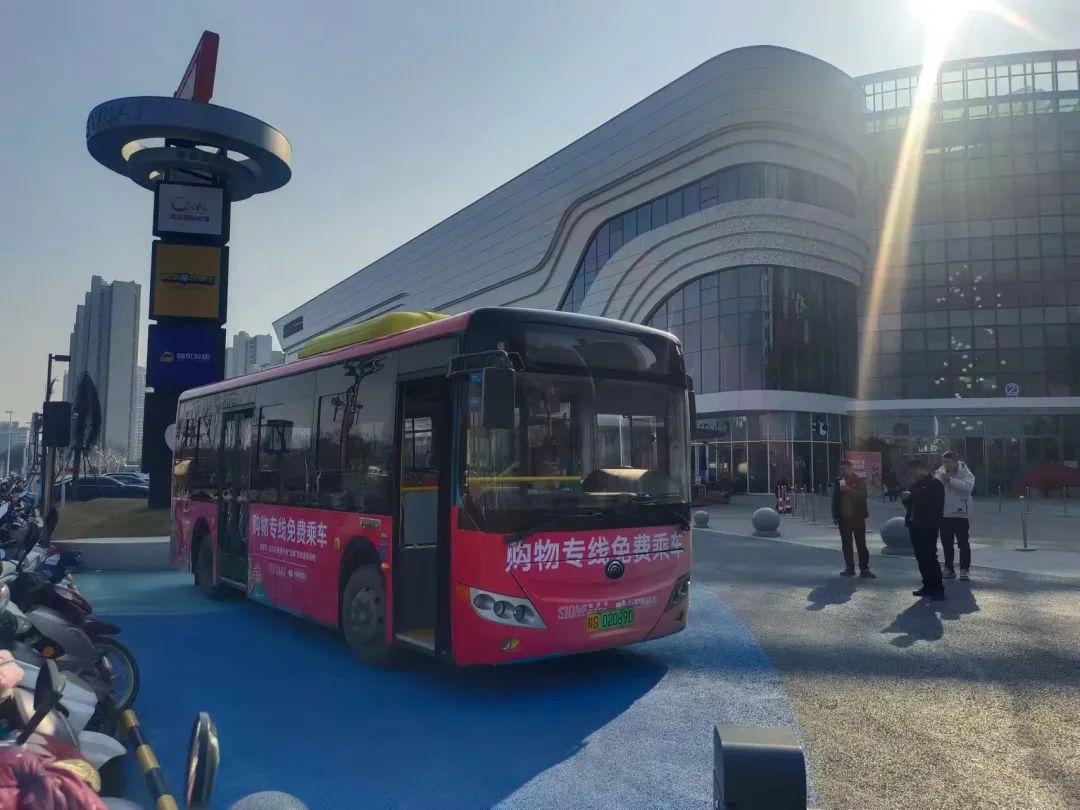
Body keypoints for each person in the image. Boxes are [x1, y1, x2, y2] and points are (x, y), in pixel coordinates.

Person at [901, 458, 946, 600]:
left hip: (928, 526)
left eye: (912, 472)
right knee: (920, 557)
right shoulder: (915, 485)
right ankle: (927, 585)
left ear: (920, 469)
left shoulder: (935, 484)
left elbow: (934, 505)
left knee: (930, 557)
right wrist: (905, 499)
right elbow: (911, 505)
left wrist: (916, 492)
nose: (911, 475)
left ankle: (938, 589)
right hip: (914, 525)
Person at [936, 450, 975, 581]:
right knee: (946, 543)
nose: (945, 464)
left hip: (960, 514)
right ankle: (948, 568)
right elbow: (935, 485)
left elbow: (968, 487)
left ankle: (964, 569)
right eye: (943, 462)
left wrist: (950, 481)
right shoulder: (941, 471)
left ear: (955, 461)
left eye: (948, 462)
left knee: (963, 543)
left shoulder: (965, 472)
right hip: (944, 513)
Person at [831, 460, 874, 577]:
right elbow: (835, 499)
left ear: (851, 468)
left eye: (844, 469)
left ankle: (864, 568)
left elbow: (863, 496)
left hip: (858, 517)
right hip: (843, 518)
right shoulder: (838, 481)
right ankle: (849, 567)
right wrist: (834, 515)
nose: (842, 471)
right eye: (841, 469)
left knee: (861, 543)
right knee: (846, 544)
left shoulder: (859, 480)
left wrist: (849, 490)